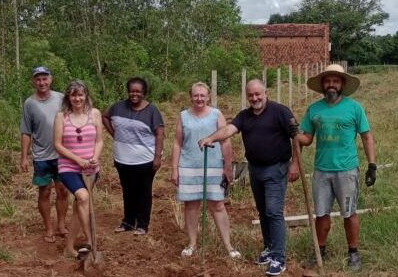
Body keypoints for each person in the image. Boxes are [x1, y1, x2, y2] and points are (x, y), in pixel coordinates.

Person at [199, 79, 300, 276]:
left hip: (276, 169)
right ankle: (269, 248)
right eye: (250, 95)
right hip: (255, 169)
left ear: (266, 93)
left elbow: (296, 137)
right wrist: (211, 138)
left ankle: (278, 257)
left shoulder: (280, 111)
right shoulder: (244, 116)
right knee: (263, 211)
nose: (254, 98)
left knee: (273, 211)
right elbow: (230, 129)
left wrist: (295, 163)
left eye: (258, 94)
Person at [293, 64, 377, 272]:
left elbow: (366, 136)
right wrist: (294, 133)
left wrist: (372, 165)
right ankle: (320, 251)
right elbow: (307, 139)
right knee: (321, 214)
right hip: (322, 170)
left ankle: (353, 253)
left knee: (349, 213)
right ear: (323, 84)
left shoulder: (354, 108)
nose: (331, 84)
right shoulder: (314, 109)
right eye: (328, 81)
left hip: (347, 170)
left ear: (342, 84)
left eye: (335, 81)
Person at [170, 82, 241, 259]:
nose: (199, 98)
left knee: (218, 205)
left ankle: (229, 246)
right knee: (191, 205)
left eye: (202, 95)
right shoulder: (183, 116)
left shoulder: (216, 114)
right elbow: (178, 143)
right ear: (190, 97)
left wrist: (227, 166)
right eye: (196, 95)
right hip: (188, 166)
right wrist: (174, 169)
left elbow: (225, 140)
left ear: (208, 97)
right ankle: (192, 244)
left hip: (214, 166)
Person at [102, 77, 164, 236]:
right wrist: (114, 134)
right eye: (131, 91)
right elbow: (105, 117)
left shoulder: (152, 111)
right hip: (122, 159)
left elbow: (159, 134)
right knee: (127, 191)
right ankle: (128, 222)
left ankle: (143, 224)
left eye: (138, 91)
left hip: (145, 160)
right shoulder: (117, 107)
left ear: (144, 93)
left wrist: (157, 157)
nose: (134, 94)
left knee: (143, 192)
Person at [53, 80, 104, 258]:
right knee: (83, 197)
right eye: (74, 95)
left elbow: (99, 141)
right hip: (68, 167)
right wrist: (77, 159)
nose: (77, 98)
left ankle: (69, 248)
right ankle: (91, 241)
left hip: (90, 168)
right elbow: (58, 145)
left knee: (78, 207)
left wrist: (94, 157)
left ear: (86, 96)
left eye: (81, 94)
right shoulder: (61, 117)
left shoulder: (95, 114)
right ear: (69, 96)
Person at [19, 66, 69, 243]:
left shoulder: (61, 98)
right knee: (45, 191)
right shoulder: (29, 103)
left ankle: (61, 225)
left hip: (62, 154)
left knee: (63, 190)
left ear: (51, 79)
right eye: (38, 79)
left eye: (45, 78)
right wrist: (24, 157)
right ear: (34, 81)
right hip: (41, 156)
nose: (42, 82)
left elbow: (71, 120)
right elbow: (26, 132)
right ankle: (48, 228)